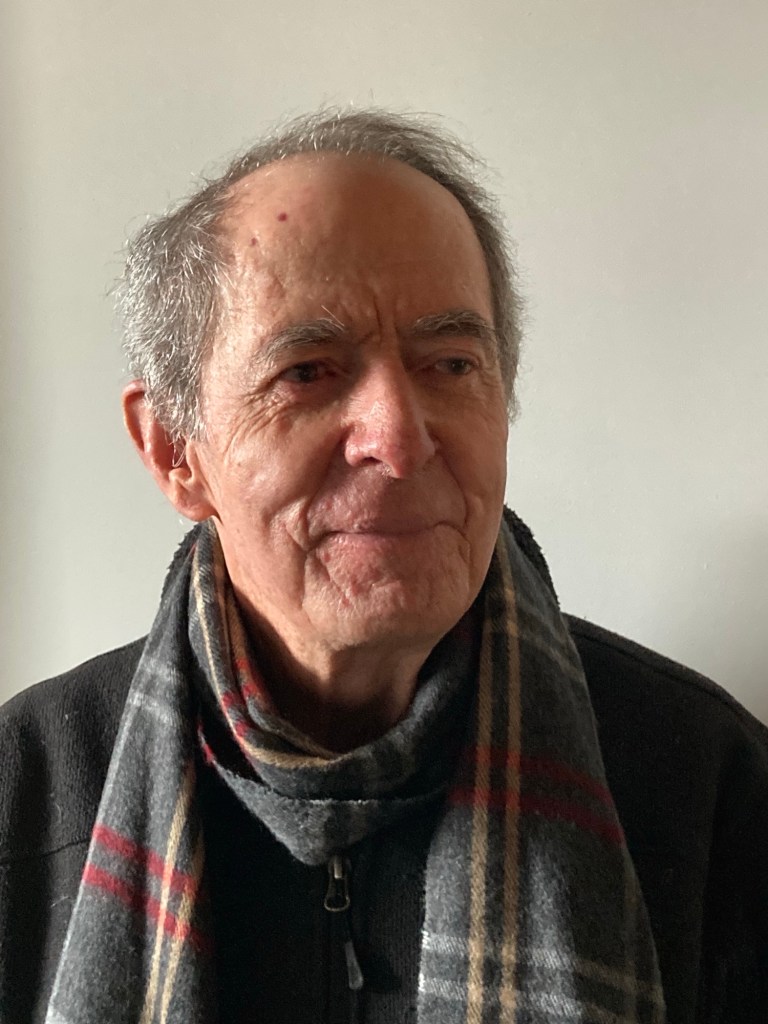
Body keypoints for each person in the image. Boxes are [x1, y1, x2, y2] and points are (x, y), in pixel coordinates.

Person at [0, 109, 766, 1024]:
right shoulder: (27, 790)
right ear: (174, 451)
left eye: (451, 363)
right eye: (308, 372)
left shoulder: (707, 786)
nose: (399, 441)